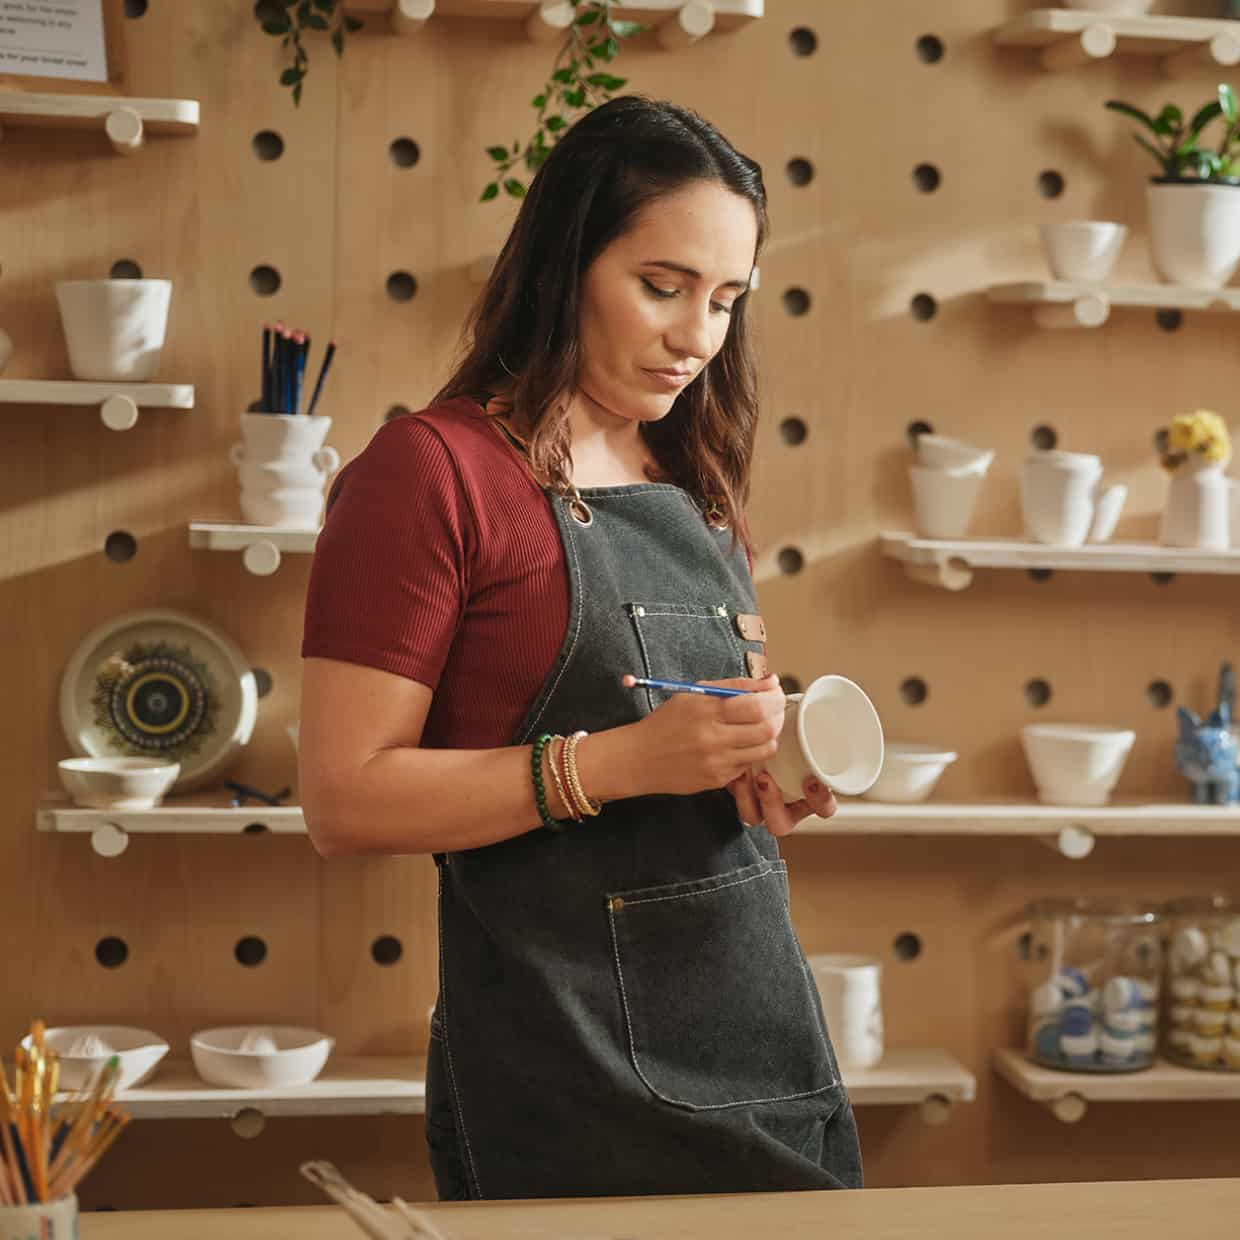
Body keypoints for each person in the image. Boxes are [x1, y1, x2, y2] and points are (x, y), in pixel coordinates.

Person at [299, 95, 862, 1202]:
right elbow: (342, 798)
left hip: (765, 1050)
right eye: (661, 287)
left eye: (724, 300)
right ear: (566, 262)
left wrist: (755, 767)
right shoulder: (432, 473)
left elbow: (679, 739)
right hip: (566, 1079)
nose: (696, 336)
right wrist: (621, 763)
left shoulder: (694, 480)